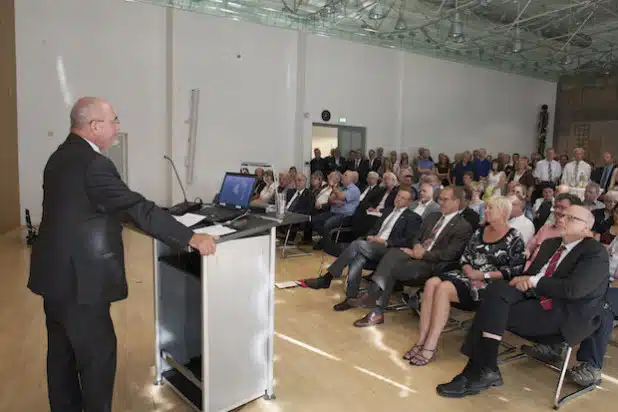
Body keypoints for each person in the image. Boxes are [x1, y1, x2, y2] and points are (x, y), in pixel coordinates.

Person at [28, 97, 217, 412]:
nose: (117, 127)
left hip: (54, 278)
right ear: (95, 126)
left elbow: (88, 209)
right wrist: (190, 236)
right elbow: (134, 206)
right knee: (97, 358)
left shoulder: (59, 157)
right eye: (114, 120)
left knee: (60, 357)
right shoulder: (94, 163)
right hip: (81, 282)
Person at [437, 205, 609, 398]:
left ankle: (480, 369)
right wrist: (525, 281)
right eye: (562, 215)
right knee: (495, 291)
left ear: (586, 229)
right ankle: (483, 369)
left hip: (562, 314)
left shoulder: (594, 252)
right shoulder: (551, 244)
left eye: (570, 218)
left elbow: (573, 290)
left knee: (491, 310)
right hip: (534, 299)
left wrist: (532, 281)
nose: (561, 219)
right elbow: (528, 275)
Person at [404, 196, 525, 366]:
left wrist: (483, 276)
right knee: (431, 283)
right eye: (486, 207)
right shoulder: (479, 232)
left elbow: (515, 270)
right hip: (466, 276)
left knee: (444, 288)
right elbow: (465, 258)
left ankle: (430, 345)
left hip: (487, 285)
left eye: (490, 208)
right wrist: (469, 270)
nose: (486, 211)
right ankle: (421, 340)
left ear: (503, 212)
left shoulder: (515, 237)